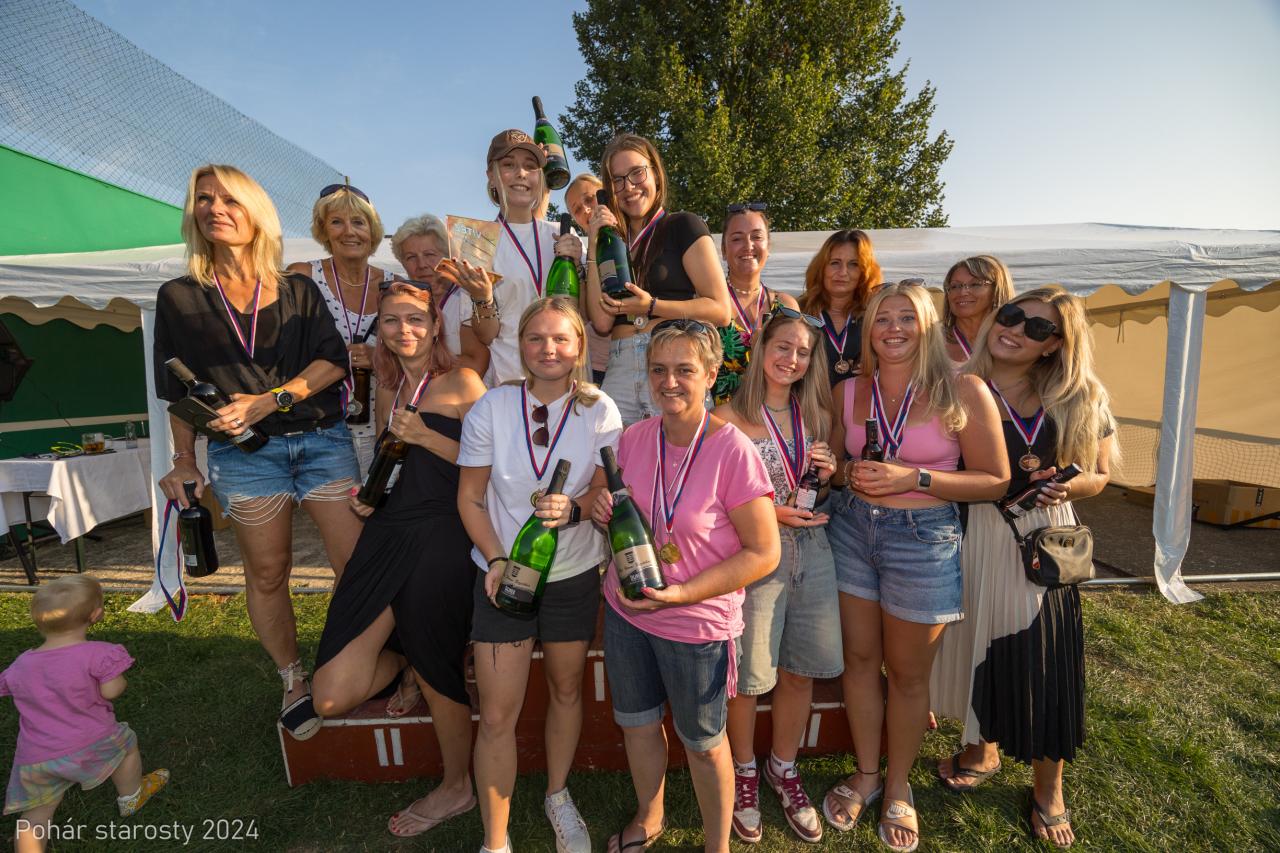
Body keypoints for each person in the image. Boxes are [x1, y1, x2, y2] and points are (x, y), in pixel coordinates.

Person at [155, 164, 363, 741]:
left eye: (229, 199)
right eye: (203, 199)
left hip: (322, 441)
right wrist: (184, 460)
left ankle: (359, 659)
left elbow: (332, 364)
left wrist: (270, 400)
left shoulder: (297, 289)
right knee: (269, 572)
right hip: (244, 456)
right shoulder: (178, 296)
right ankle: (293, 678)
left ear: (256, 213)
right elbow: (177, 392)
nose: (214, 208)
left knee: (356, 566)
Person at [823, 282, 1009, 851]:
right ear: (869, 329)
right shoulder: (849, 389)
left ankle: (899, 785)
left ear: (928, 326)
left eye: (907, 317)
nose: (894, 328)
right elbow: (834, 468)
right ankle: (867, 773)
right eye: (883, 318)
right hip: (852, 528)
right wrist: (843, 472)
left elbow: (995, 479)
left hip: (923, 537)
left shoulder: (963, 387)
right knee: (859, 661)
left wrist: (916, 477)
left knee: (907, 675)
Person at [931, 287, 1116, 849]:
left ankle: (1048, 790)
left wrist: (1069, 485)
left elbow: (1101, 474)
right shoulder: (957, 382)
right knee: (973, 643)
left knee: (1043, 660)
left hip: (1042, 538)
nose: (1016, 330)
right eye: (1012, 317)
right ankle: (980, 748)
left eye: (1038, 328)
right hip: (973, 531)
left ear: (1056, 344)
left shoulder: (1080, 393)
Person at [591, 319, 780, 853]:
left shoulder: (733, 450)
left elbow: (764, 552)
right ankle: (649, 817)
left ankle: (717, 846)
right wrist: (601, 507)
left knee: (702, 743)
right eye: (658, 370)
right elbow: (610, 509)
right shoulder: (634, 438)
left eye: (684, 370)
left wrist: (684, 594)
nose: (668, 382)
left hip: (696, 626)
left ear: (711, 374)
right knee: (638, 725)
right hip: (628, 611)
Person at [310, 282, 487, 837]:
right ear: (379, 330)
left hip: (444, 530)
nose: (403, 329)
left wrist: (428, 438)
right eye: (390, 320)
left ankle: (458, 785)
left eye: (415, 319)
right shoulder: (389, 389)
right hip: (388, 530)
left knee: (436, 663)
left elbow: (497, 471)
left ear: (435, 325)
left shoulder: (465, 381)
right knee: (330, 696)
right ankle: (407, 658)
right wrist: (370, 497)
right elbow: (393, 464)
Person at [457, 298, 622, 853]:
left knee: (565, 689)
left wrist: (575, 510)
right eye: (536, 338)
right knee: (496, 714)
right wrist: (495, 558)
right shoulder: (492, 406)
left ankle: (557, 793)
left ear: (579, 346)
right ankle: (495, 841)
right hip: (503, 575)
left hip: (573, 573)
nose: (548, 349)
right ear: (520, 344)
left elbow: (603, 491)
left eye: (560, 339)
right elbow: (470, 497)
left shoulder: (600, 409)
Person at [713, 308, 842, 844]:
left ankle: (782, 767)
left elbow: (818, 490)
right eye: (782, 346)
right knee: (748, 677)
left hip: (813, 549)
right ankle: (744, 771)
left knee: (800, 670)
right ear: (761, 348)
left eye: (803, 352)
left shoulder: (817, 415)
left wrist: (827, 477)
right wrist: (771, 512)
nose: (791, 358)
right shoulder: (724, 417)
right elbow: (714, 501)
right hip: (756, 557)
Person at [2, 577, 169, 852]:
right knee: (127, 746)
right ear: (96, 614)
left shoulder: (21, 664)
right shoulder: (99, 654)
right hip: (92, 741)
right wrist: (117, 681)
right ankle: (131, 796)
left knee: (37, 813)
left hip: (36, 756)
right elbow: (111, 691)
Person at [584, 133, 732, 424]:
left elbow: (720, 310)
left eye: (637, 173)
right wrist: (592, 245)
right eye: (617, 180)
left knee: (678, 450)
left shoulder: (683, 225)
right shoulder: (611, 240)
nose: (629, 187)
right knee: (612, 450)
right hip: (620, 364)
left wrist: (652, 306)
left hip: (672, 359)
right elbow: (601, 323)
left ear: (655, 174)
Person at [448, 130, 584, 388]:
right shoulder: (476, 242)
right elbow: (487, 336)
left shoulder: (564, 234)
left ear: (540, 176)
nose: (521, 173)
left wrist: (580, 268)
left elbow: (585, 315)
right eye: (509, 165)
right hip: (510, 382)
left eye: (530, 166)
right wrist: (482, 297)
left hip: (566, 379)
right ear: (491, 175)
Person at [287, 183, 393, 476]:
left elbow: (418, 357)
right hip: (320, 428)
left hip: (381, 424)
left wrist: (379, 359)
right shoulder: (302, 276)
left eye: (358, 222)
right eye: (336, 222)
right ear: (323, 230)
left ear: (372, 230)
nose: (349, 231)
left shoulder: (395, 285)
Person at [713, 203, 800, 405]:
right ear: (724, 251)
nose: (748, 245)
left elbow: (798, 368)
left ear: (768, 248)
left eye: (757, 237)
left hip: (773, 415)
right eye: (737, 239)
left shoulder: (786, 306)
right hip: (721, 417)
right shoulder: (710, 303)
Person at [389, 213, 491, 377]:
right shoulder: (402, 302)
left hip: (463, 391)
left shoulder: (465, 296)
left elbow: (475, 364)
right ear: (402, 263)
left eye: (429, 255)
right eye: (411, 257)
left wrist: (412, 361)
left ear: (448, 256)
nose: (421, 264)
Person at [798, 229, 883, 387]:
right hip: (808, 401)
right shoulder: (797, 312)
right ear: (821, 268)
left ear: (865, 271)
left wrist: (880, 363)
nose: (843, 272)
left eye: (854, 264)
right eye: (835, 263)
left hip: (861, 401)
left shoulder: (877, 314)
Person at [564, 173, 612, 384]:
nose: (585, 209)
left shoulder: (633, 236)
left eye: (589, 199)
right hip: (597, 368)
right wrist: (578, 267)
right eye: (576, 209)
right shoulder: (584, 257)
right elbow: (587, 318)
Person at [941, 256, 1015, 363]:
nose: (962, 292)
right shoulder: (930, 340)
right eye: (955, 286)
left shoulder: (1014, 340)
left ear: (997, 290)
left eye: (975, 284)